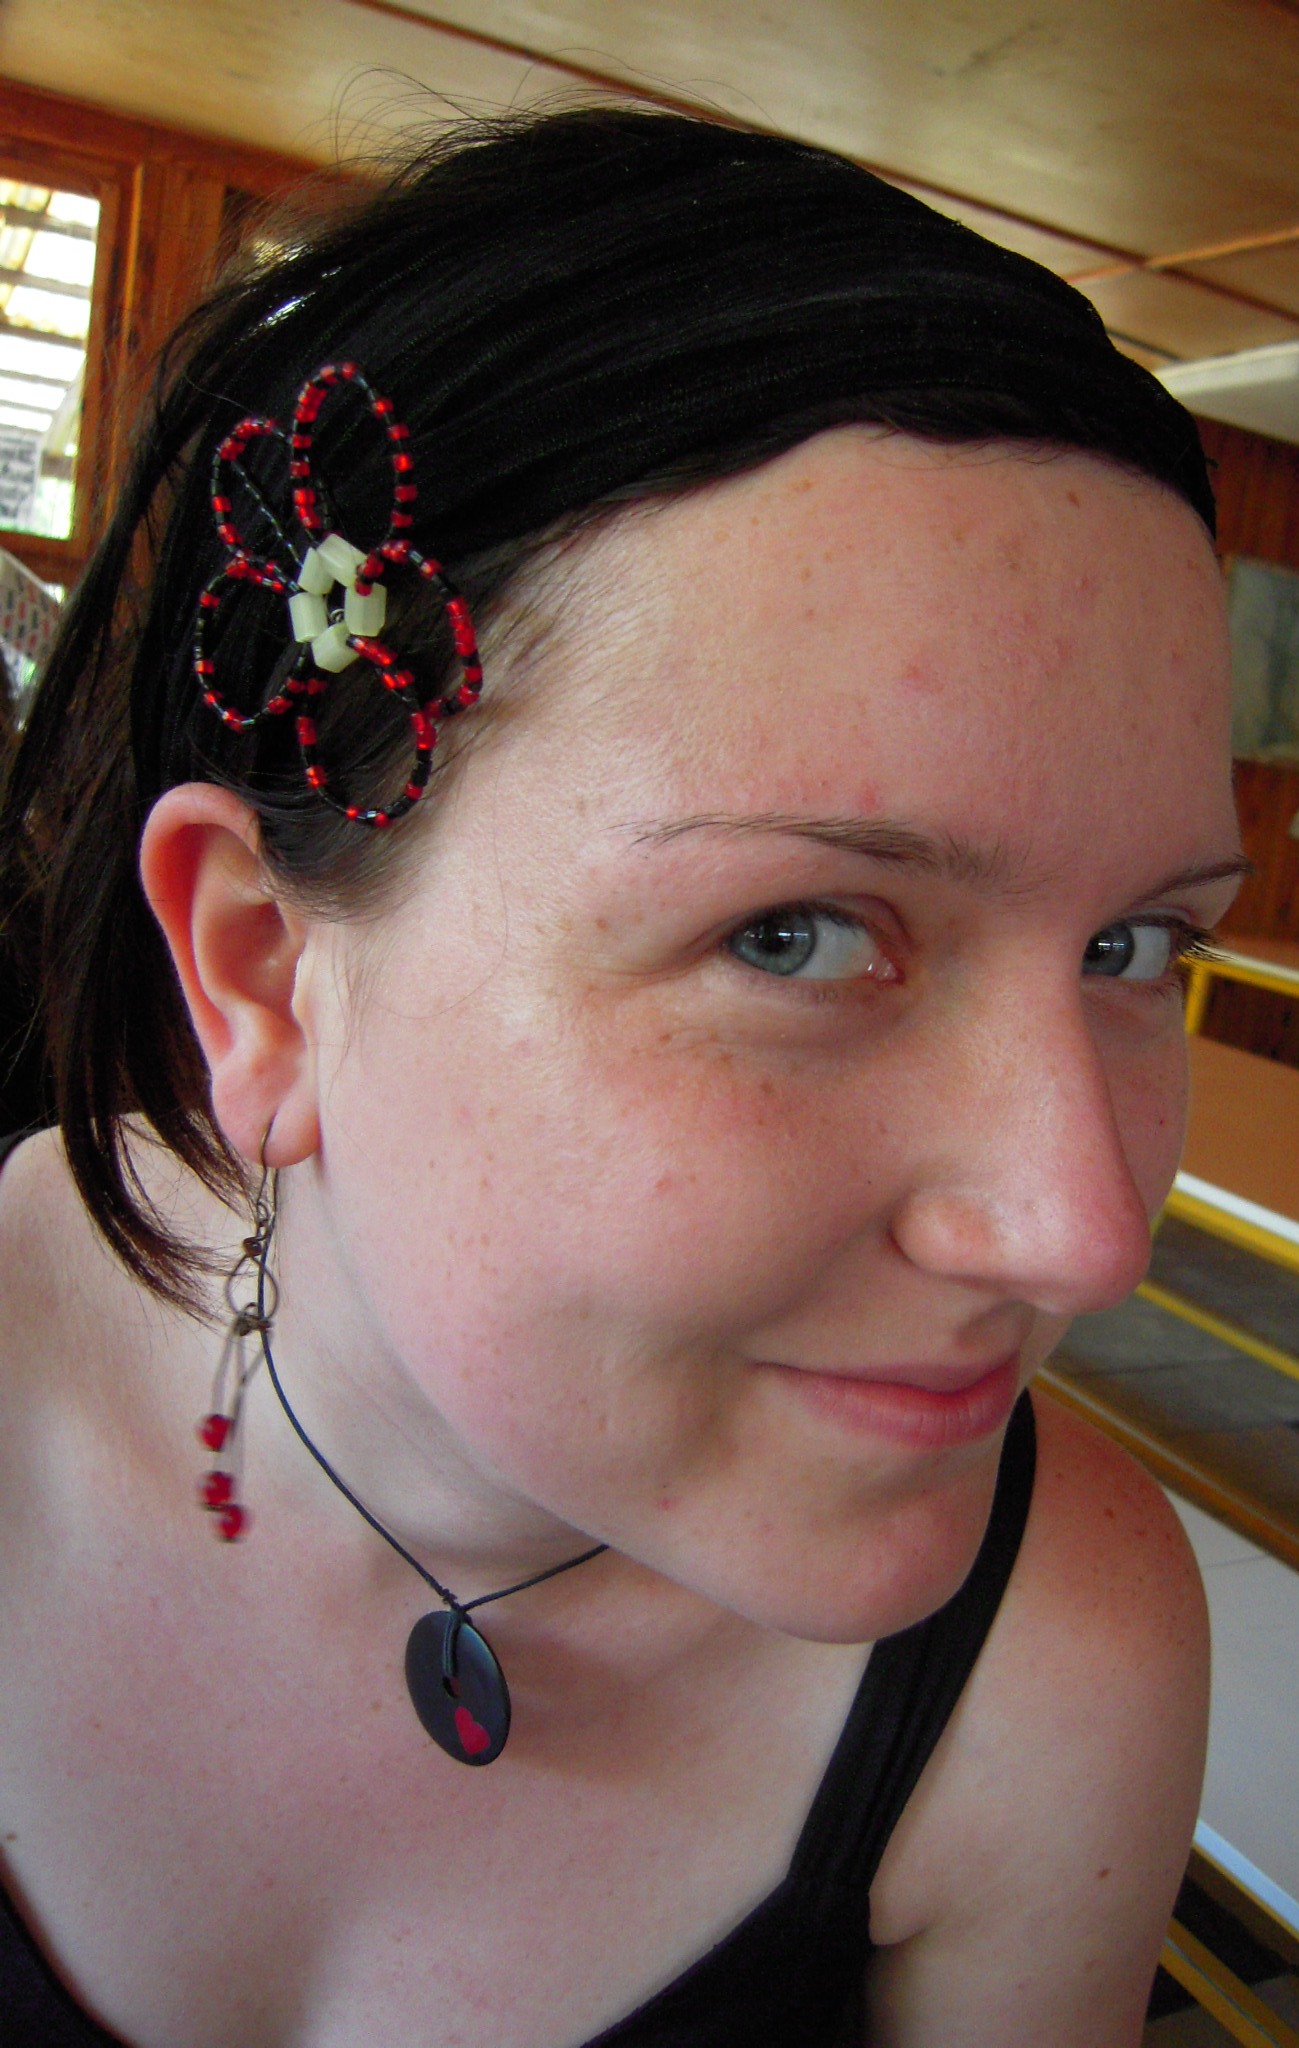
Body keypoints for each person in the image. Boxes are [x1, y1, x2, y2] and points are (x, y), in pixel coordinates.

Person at [0, 104, 1243, 2047]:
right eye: (795, 935)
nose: (1085, 1236)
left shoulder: (1050, 1667)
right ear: (262, 972)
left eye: (1132, 950)